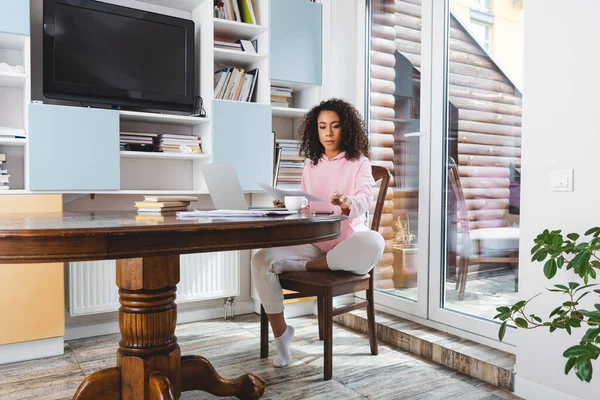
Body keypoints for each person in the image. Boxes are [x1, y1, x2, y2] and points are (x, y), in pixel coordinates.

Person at [251, 98, 385, 368]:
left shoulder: (360, 162)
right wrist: (289, 204)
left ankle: (308, 267)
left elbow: (364, 199)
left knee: (375, 241)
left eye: (334, 126)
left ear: (346, 128)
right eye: (322, 127)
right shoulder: (311, 164)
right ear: (316, 131)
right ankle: (281, 334)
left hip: (347, 244)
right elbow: (308, 205)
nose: (328, 133)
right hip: (314, 243)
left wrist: (347, 202)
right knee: (260, 259)